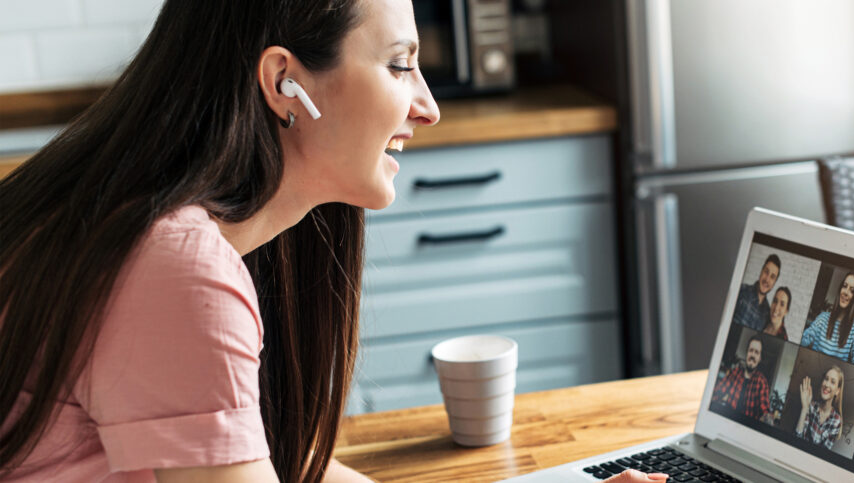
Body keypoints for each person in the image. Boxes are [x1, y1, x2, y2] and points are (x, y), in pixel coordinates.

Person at [0, 2, 664, 483]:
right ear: (284, 82)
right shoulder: (176, 269)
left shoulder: (208, 233)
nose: (428, 107)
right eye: (401, 66)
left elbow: (294, 468)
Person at [800, 272, 854, 367]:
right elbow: (806, 337)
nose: (846, 292)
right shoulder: (823, 317)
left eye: (852, 290)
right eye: (844, 286)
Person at [711, 336, 771, 421]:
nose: (752, 355)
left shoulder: (762, 382)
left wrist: (766, 419)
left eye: (756, 352)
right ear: (747, 353)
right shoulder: (734, 373)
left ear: (760, 358)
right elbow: (718, 392)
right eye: (751, 350)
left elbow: (765, 410)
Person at [794, 365, 845, 449]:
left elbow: (822, 453)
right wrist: (804, 408)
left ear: (837, 391)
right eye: (826, 379)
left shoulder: (836, 421)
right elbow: (797, 439)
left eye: (832, 382)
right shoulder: (811, 407)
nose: (827, 384)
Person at [731, 254, 781, 331]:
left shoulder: (767, 313)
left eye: (772, 277)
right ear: (761, 271)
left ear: (775, 282)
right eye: (766, 272)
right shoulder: (741, 290)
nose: (767, 279)